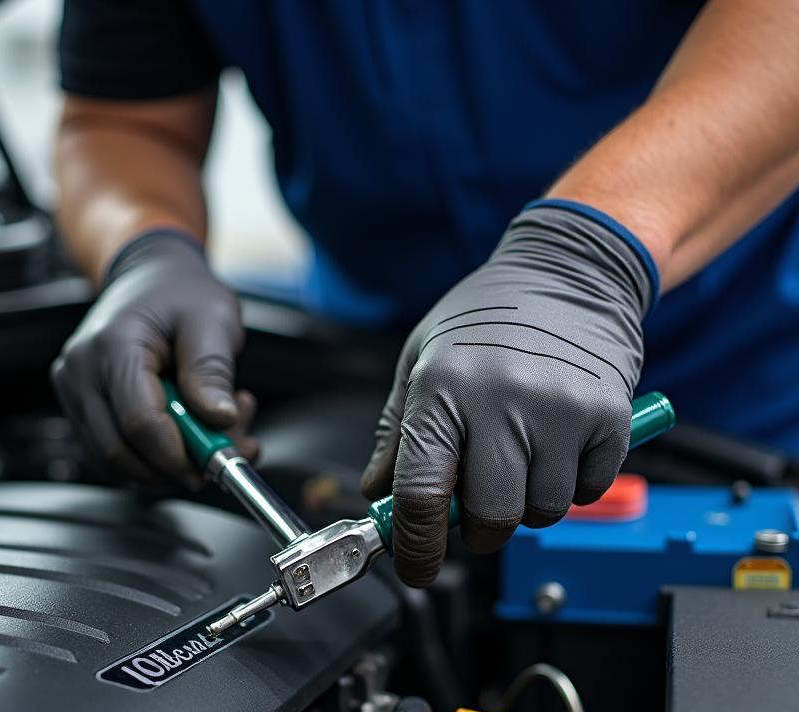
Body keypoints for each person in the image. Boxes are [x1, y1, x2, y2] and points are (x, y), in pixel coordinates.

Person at [51, 0, 799, 587]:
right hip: (381, 377)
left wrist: (584, 256)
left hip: (743, 394)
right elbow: (119, 120)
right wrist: (144, 248)